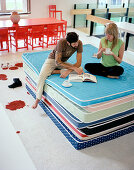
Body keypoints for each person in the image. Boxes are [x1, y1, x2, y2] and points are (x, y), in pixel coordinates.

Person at [32, 32, 83, 109]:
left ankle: (54, 71)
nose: (76, 44)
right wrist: (72, 68)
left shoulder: (79, 43)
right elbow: (57, 62)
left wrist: (68, 71)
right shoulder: (61, 42)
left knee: (80, 69)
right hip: (52, 60)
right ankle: (37, 99)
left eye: (77, 42)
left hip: (64, 63)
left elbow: (78, 63)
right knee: (42, 76)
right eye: (74, 43)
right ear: (68, 42)